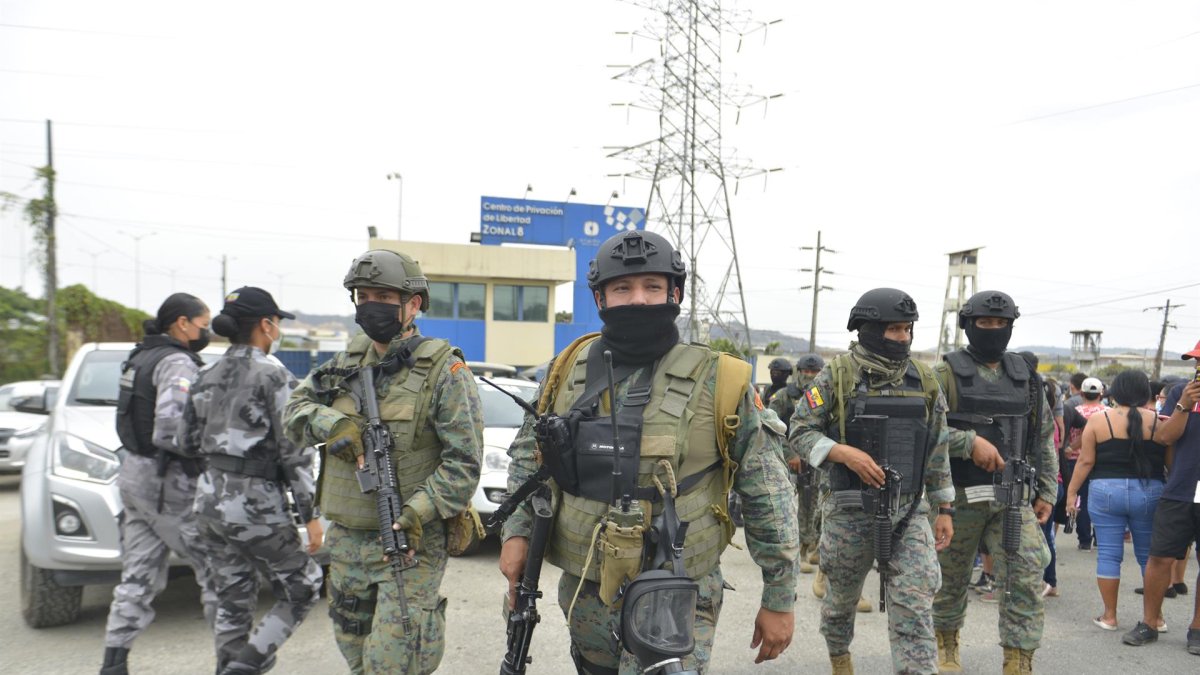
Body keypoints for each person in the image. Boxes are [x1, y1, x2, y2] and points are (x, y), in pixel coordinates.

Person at [499, 230, 799, 673]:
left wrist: (779, 597)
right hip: (586, 592)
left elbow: (768, 496)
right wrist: (516, 535)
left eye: (652, 287)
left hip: (678, 590)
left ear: (674, 293)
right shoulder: (566, 371)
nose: (638, 300)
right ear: (601, 299)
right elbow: (530, 457)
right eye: (622, 288)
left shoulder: (722, 381)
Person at [283, 249, 484, 674]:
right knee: (356, 657)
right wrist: (332, 423)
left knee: (394, 664)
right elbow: (294, 409)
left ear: (413, 304)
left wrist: (418, 511)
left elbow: (463, 464)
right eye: (364, 295)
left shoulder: (445, 372)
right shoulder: (344, 364)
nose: (372, 304)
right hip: (348, 541)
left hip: (408, 544)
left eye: (384, 295)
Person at [789, 287, 955, 674]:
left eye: (907, 329)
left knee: (915, 603)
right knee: (840, 603)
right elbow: (798, 429)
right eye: (893, 329)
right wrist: (841, 452)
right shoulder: (837, 375)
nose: (902, 337)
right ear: (867, 329)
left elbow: (938, 447)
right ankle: (840, 659)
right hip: (850, 510)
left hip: (909, 511)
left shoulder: (925, 379)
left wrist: (945, 507)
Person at [181, 287, 324, 674]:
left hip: (208, 506)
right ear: (266, 325)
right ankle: (248, 663)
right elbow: (295, 452)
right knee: (305, 583)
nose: (276, 329)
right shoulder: (273, 375)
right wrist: (310, 516)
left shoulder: (204, 374)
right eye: (276, 322)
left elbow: (185, 443)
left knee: (233, 598)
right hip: (255, 506)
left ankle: (229, 665)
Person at [930, 293, 1056, 675]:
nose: (993, 331)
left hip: (1011, 498)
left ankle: (1018, 658)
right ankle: (946, 644)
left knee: (1027, 574)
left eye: (1001, 324)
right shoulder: (944, 374)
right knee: (948, 578)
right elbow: (924, 433)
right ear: (969, 325)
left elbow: (1043, 436)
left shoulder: (1026, 377)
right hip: (957, 499)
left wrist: (1047, 489)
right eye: (984, 323)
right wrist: (968, 443)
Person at [101, 293, 218, 675]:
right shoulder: (176, 361)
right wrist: (211, 450)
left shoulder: (140, 356)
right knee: (219, 569)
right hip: (168, 486)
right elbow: (170, 429)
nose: (208, 332)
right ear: (182, 323)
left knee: (137, 576)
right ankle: (235, 659)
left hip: (136, 479)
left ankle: (113, 664)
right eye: (204, 325)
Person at [1066, 370, 1167, 633]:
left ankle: (1110, 616)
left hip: (1105, 491)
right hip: (1150, 491)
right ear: (1146, 393)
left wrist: (1071, 493)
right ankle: (1155, 618)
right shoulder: (1160, 421)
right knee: (1150, 557)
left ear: (1115, 392)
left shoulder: (1099, 422)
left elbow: (1085, 461)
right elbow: (1171, 464)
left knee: (1109, 555)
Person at [1123, 341, 1200, 656]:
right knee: (1160, 557)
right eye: (1195, 361)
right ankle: (1149, 622)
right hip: (1180, 488)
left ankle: (1197, 628)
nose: (1197, 367)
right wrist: (1183, 404)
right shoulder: (1181, 392)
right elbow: (1165, 437)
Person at [1067, 376, 1108, 551]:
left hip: (1076, 461)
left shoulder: (1074, 410)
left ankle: (1084, 539)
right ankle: (1100, 537)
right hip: (1101, 462)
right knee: (1101, 500)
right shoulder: (1108, 412)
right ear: (1101, 393)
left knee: (1080, 500)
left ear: (1082, 393)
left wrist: (1071, 447)